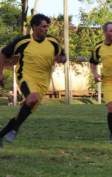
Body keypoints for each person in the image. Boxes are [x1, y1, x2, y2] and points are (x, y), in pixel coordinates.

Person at [0, 14, 65, 148]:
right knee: (32, 98)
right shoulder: (22, 42)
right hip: (25, 76)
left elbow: (63, 56)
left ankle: (4, 133)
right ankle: (14, 129)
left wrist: (61, 59)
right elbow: (3, 54)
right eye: (43, 26)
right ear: (34, 27)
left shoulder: (53, 42)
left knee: (27, 108)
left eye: (47, 26)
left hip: (43, 82)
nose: (46, 29)